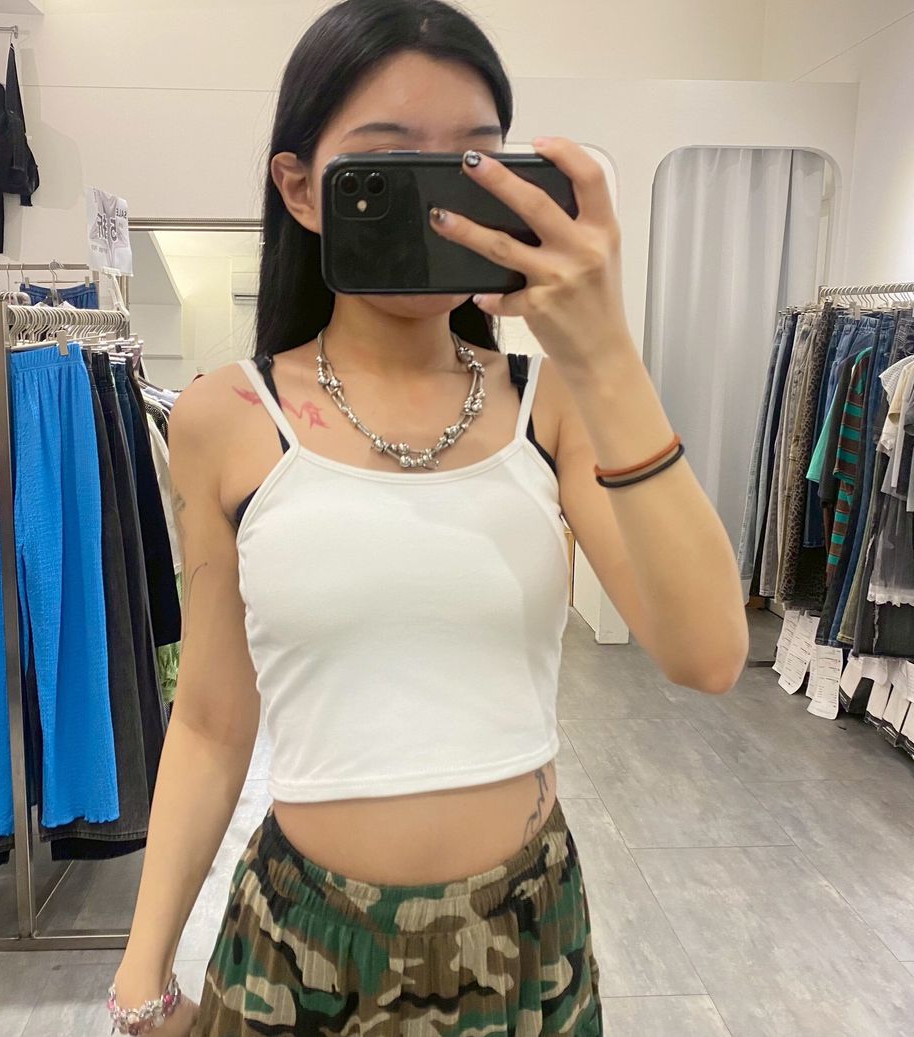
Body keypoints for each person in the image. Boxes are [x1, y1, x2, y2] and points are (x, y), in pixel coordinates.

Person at [109, 1, 750, 1034]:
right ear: (301, 189)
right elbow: (213, 720)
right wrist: (141, 976)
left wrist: (603, 348)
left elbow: (708, 652)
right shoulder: (227, 416)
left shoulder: (555, 404)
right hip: (298, 944)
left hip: (523, 931)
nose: (438, 205)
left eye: (471, 163)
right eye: (387, 163)